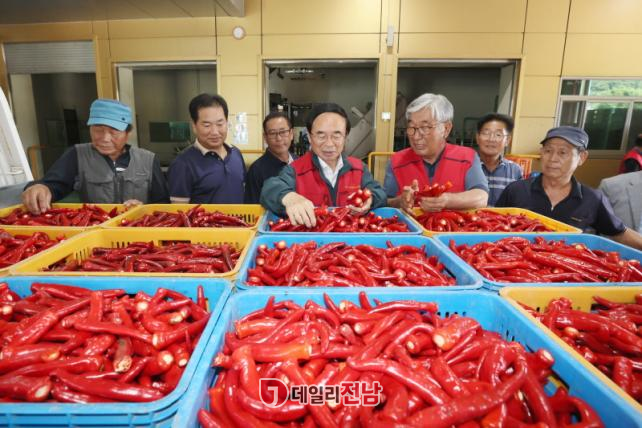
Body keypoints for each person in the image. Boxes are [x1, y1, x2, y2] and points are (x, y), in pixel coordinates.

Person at [496, 126, 642, 250]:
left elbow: (619, 232)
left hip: (567, 269)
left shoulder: (593, 198)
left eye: (563, 153)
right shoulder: (516, 190)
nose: (553, 159)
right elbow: (493, 223)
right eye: (548, 151)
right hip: (516, 266)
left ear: (582, 157)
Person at [21, 99, 168, 214]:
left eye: (114, 132)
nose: (105, 138)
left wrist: (144, 209)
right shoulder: (77, 155)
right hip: (95, 229)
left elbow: (163, 204)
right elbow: (53, 185)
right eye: (98, 130)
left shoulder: (148, 159)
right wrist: (40, 188)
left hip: (138, 231)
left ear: (128, 133)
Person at [260, 102, 387, 227]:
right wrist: (289, 197)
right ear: (309, 137)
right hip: (310, 238)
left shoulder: (359, 168)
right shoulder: (295, 169)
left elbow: (379, 192)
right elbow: (270, 189)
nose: (329, 144)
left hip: (351, 236)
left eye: (336, 135)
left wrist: (371, 199)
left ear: (345, 137)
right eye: (321, 136)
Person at [384, 93, 489, 212]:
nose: (416, 136)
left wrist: (448, 200)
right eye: (411, 127)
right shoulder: (397, 161)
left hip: (453, 223)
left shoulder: (467, 157)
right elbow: (386, 202)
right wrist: (400, 201)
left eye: (425, 128)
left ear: (446, 129)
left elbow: (481, 196)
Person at [168, 94, 245, 204]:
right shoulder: (182, 164)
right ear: (194, 126)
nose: (215, 132)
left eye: (220, 124)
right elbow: (179, 210)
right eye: (207, 125)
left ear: (227, 122)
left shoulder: (236, 154)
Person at [244, 111, 296, 203]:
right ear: (265, 137)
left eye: (283, 132)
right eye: (272, 133)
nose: (279, 138)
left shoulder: (299, 162)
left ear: (291, 134)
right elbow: (252, 206)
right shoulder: (256, 170)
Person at [476, 113, 522, 206]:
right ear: (477, 138)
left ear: (507, 140)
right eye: (486, 133)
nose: (491, 139)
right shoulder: (466, 166)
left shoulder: (515, 170)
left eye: (498, 134)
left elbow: (518, 203)